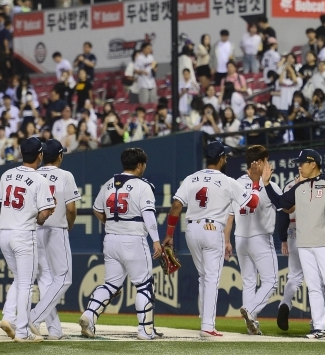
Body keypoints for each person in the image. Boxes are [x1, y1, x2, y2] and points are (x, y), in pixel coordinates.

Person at [162, 142, 259, 337]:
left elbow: (175, 206)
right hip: (212, 228)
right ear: (222, 158)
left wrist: (169, 234)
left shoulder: (191, 178)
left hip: (191, 230)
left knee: (204, 277)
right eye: (225, 156)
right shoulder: (228, 181)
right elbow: (253, 203)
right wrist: (256, 182)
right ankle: (207, 326)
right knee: (211, 278)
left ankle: (204, 319)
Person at [262, 149, 325, 340]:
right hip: (304, 244)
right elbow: (280, 203)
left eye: (302, 162)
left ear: (313, 164)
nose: (299, 166)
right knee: (313, 287)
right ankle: (319, 328)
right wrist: (266, 183)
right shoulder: (299, 187)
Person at [80, 148, 163, 340]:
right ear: (140, 165)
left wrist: (112, 223)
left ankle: (89, 315)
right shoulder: (143, 186)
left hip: (111, 239)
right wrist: (156, 241)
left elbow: (96, 210)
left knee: (110, 284)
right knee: (144, 285)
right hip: (133, 239)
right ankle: (145, 330)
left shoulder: (109, 183)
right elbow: (149, 215)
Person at [0, 137, 55, 342]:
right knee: (27, 283)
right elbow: (43, 215)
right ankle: (22, 331)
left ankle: (8, 317)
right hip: (23, 234)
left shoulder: (7, 174)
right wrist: (44, 214)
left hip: (4, 233)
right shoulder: (39, 179)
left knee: (20, 280)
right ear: (39, 155)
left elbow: (0, 203)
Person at [223, 146, 280, 335]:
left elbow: (229, 215)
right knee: (271, 281)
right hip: (260, 238)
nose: (268, 164)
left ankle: (252, 324)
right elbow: (286, 207)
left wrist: (226, 240)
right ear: (261, 162)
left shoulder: (237, 183)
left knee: (248, 281)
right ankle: (251, 311)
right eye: (266, 160)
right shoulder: (268, 184)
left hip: (240, 238)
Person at [29, 140, 80, 339]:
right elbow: (71, 208)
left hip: (35, 229)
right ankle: (33, 317)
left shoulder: (33, 175)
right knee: (64, 278)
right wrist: (70, 224)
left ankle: (55, 330)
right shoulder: (65, 175)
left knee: (46, 279)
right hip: (55, 229)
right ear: (59, 156)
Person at [275, 175, 304, 331]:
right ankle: (317, 322)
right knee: (319, 280)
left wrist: (283, 239)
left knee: (294, 276)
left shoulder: (288, 186)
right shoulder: (320, 183)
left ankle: (285, 303)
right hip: (314, 233)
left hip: (292, 233)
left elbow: (283, 214)